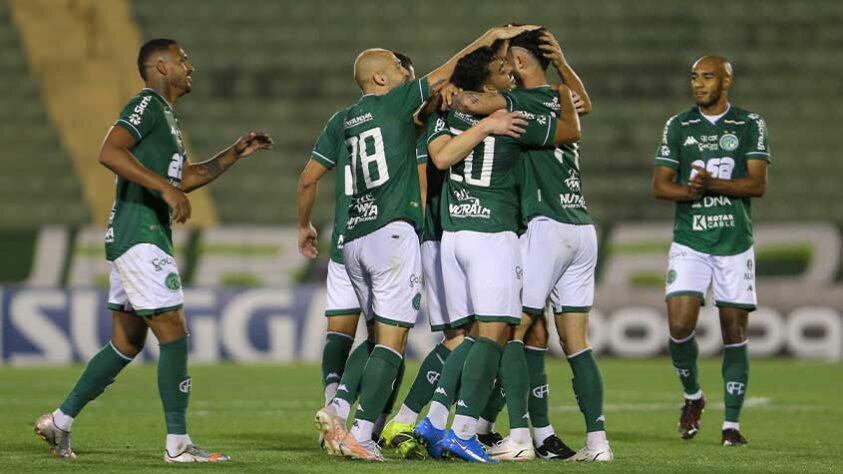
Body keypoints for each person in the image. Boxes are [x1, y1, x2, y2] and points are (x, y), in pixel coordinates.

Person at [34, 38, 273, 463]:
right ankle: (178, 445)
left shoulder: (169, 120)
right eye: (183, 60)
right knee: (175, 334)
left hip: (137, 234)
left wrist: (234, 153)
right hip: (140, 234)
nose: (190, 65)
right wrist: (164, 188)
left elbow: (185, 178)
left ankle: (60, 421)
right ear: (161, 67)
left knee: (126, 344)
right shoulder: (145, 105)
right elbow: (110, 151)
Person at [311, 25, 541, 462]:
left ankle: (356, 411)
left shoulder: (378, 121)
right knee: (462, 335)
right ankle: (410, 420)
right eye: (404, 73)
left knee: (406, 335)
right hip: (428, 235)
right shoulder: (415, 121)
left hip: (378, 235)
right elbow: (430, 168)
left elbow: (312, 178)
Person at [414, 43, 581, 463]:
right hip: (492, 234)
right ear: (488, 81)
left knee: (470, 337)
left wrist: (463, 106)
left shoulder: (445, 113)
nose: (511, 75)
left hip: (454, 236)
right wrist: (497, 123)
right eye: (503, 71)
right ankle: (465, 430)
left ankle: (434, 419)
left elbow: (441, 156)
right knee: (496, 336)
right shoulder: (514, 117)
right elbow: (570, 130)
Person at [452, 28, 610, 462]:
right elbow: (585, 106)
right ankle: (596, 444)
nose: (505, 68)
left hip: (545, 228)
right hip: (581, 227)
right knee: (573, 340)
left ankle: (516, 436)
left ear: (520, 66)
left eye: (508, 62)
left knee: (508, 328)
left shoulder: (522, 100)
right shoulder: (562, 98)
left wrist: (454, 82)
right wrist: (563, 64)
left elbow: (470, 102)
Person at [652, 55, 770, 447]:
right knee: (679, 326)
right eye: (694, 78)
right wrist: (688, 192)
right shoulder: (679, 125)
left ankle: (731, 426)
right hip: (691, 240)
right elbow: (660, 185)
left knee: (733, 331)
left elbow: (757, 185)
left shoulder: (750, 124)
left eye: (707, 77)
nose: (698, 84)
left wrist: (711, 185)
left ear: (726, 81)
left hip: (735, 243)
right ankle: (693, 396)